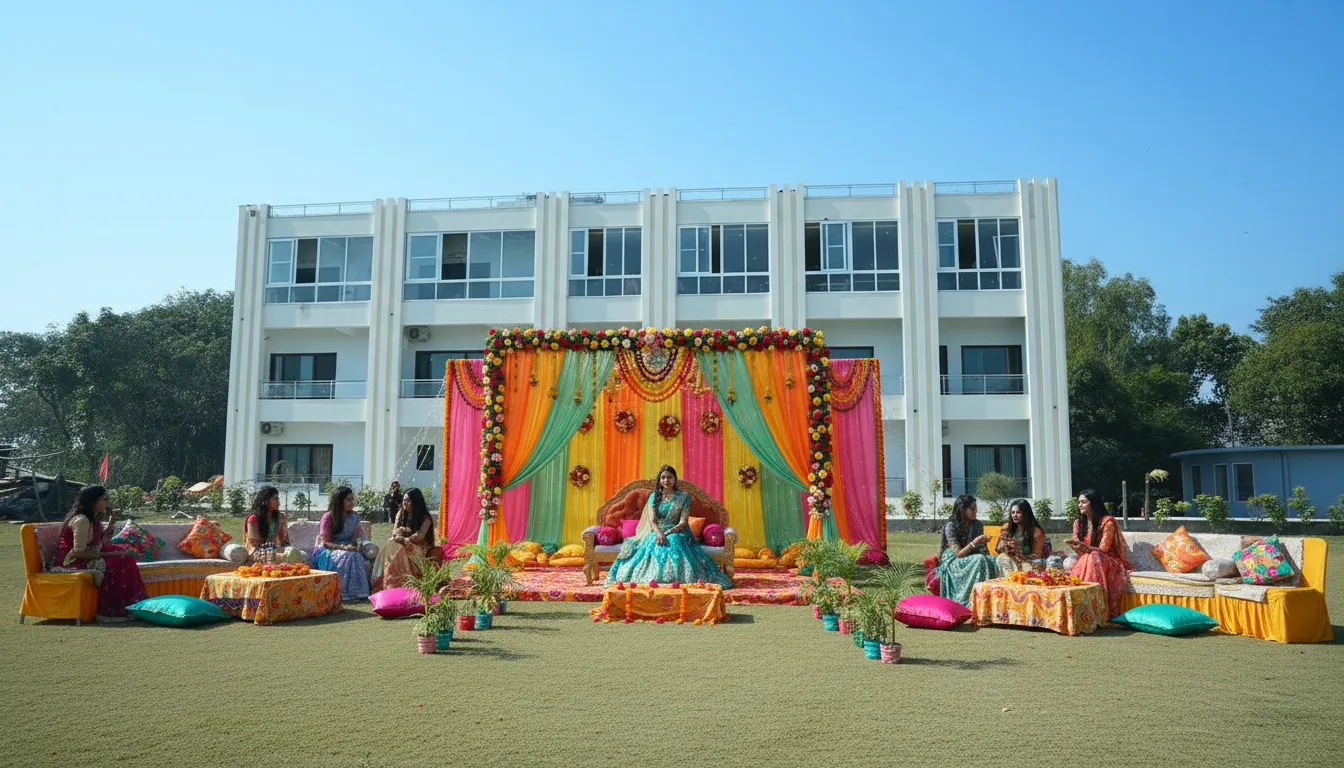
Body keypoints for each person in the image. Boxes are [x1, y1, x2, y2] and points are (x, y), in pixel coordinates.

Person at [604, 465, 732, 588]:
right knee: (652, 541)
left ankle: (679, 578)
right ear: (659, 480)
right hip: (657, 531)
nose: (666, 480)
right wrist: (659, 533)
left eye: (669, 477)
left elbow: (683, 522)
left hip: (677, 531)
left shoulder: (684, 497)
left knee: (674, 540)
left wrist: (666, 534)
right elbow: (652, 521)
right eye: (663, 477)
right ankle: (650, 578)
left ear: (675, 479)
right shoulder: (654, 496)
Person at [51, 485, 149, 622]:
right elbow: (78, 552)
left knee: (126, 554)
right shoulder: (81, 520)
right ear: (94, 501)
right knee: (120, 560)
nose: (107, 502)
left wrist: (110, 524)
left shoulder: (93, 519)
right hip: (74, 561)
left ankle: (132, 607)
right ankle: (110, 613)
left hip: (89, 556)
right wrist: (110, 555)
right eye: (104, 499)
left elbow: (100, 543)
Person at [1065, 489, 1134, 620]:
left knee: (1093, 556)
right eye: (1079, 502)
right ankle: (1076, 607)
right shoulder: (1078, 523)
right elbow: (1079, 550)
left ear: (1093, 503)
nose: (1080, 505)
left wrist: (1086, 548)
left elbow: (1104, 549)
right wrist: (1077, 547)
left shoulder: (1107, 522)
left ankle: (1095, 608)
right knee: (1068, 561)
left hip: (1108, 560)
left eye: (1084, 502)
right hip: (1086, 558)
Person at [933, 494, 999, 607]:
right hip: (953, 560)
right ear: (963, 510)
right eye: (972, 509)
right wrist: (976, 540)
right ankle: (974, 601)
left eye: (976, 509)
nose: (975, 512)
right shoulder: (951, 526)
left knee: (995, 560)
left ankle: (993, 601)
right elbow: (959, 554)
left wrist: (989, 559)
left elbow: (983, 549)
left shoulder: (977, 524)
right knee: (979, 559)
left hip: (973, 556)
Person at [371, 487, 442, 591]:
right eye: (404, 500)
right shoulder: (401, 514)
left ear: (416, 502)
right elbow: (394, 532)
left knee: (398, 545)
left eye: (408, 500)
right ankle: (391, 582)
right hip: (402, 544)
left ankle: (404, 583)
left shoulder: (425, 518)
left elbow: (419, 537)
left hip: (419, 550)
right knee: (391, 544)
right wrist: (400, 536)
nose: (404, 503)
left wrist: (404, 540)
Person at [311, 486, 374, 600]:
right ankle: (342, 592)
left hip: (348, 548)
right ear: (340, 501)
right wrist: (343, 547)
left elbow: (356, 539)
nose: (352, 502)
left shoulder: (354, 517)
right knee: (347, 555)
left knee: (356, 555)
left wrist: (357, 546)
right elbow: (326, 542)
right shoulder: (328, 517)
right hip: (329, 549)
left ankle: (358, 593)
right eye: (348, 499)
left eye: (352, 499)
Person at [243, 486, 306, 564]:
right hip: (258, 552)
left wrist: (288, 550)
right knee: (285, 556)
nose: (278, 502)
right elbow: (255, 545)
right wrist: (274, 553)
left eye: (278, 499)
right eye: (274, 499)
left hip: (275, 550)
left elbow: (285, 542)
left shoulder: (280, 517)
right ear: (265, 501)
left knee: (294, 553)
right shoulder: (253, 519)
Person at [995, 498, 1048, 575]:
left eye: (1018, 512)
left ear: (1025, 514)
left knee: (1027, 569)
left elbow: (1037, 556)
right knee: (1001, 558)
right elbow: (998, 548)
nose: (1015, 515)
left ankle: (1018, 579)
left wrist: (1019, 553)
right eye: (1013, 512)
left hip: (1029, 563)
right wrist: (1008, 548)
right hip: (1012, 560)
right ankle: (1010, 580)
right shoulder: (1007, 528)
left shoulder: (1036, 532)